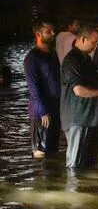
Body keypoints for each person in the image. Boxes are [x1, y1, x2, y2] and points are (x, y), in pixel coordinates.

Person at [61, 25, 98, 168]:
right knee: (74, 164)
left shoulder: (86, 59)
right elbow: (79, 90)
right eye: (94, 42)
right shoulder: (72, 60)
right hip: (78, 118)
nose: (97, 45)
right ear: (82, 39)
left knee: (88, 163)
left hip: (90, 117)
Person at [24, 19, 60, 158]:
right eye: (48, 31)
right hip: (41, 113)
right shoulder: (32, 58)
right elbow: (33, 88)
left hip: (55, 108)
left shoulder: (52, 54)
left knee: (53, 152)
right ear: (38, 33)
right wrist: (43, 111)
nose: (53, 33)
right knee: (41, 154)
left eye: (53, 30)